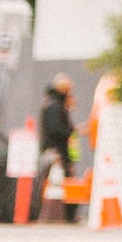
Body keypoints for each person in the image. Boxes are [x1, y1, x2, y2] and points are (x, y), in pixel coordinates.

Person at [36, 75, 75, 221]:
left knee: (55, 184)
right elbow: (57, 130)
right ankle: (61, 216)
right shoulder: (55, 106)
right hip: (56, 152)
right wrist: (71, 129)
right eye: (69, 90)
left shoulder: (51, 103)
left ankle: (57, 216)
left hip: (53, 151)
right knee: (59, 184)